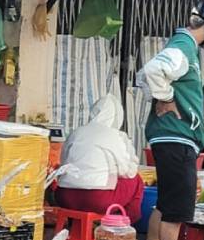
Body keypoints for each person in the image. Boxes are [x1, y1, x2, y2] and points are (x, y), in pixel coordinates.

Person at [137, 0, 204, 240]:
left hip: (172, 137)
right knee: (177, 209)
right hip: (176, 137)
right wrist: (166, 98)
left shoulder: (185, 46)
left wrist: (164, 95)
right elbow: (152, 70)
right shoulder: (184, 45)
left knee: (165, 204)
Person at [55, 94, 145, 222]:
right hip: (97, 199)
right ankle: (121, 228)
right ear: (117, 117)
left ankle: (77, 228)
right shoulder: (115, 135)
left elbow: (63, 162)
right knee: (136, 180)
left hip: (65, 196)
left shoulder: (76, 132)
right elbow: (128, 171)